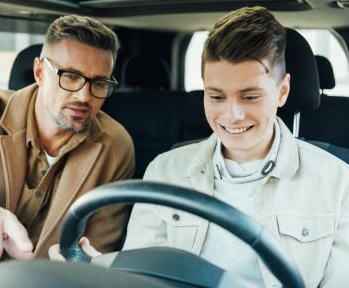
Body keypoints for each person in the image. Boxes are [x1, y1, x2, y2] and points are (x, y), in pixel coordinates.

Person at [53, 6, 349, 288]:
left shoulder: (338, 183)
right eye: (217, 97)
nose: (232, 115)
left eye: (250, 97)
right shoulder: (165, 171)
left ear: (282, 91)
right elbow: (143, 276)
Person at [0, 14, 135, 271]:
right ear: (40, 71)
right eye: (71, 76)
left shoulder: (116, 146)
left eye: (98, 83)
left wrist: (77, 266)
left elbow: (99, 253)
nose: (83, 96)